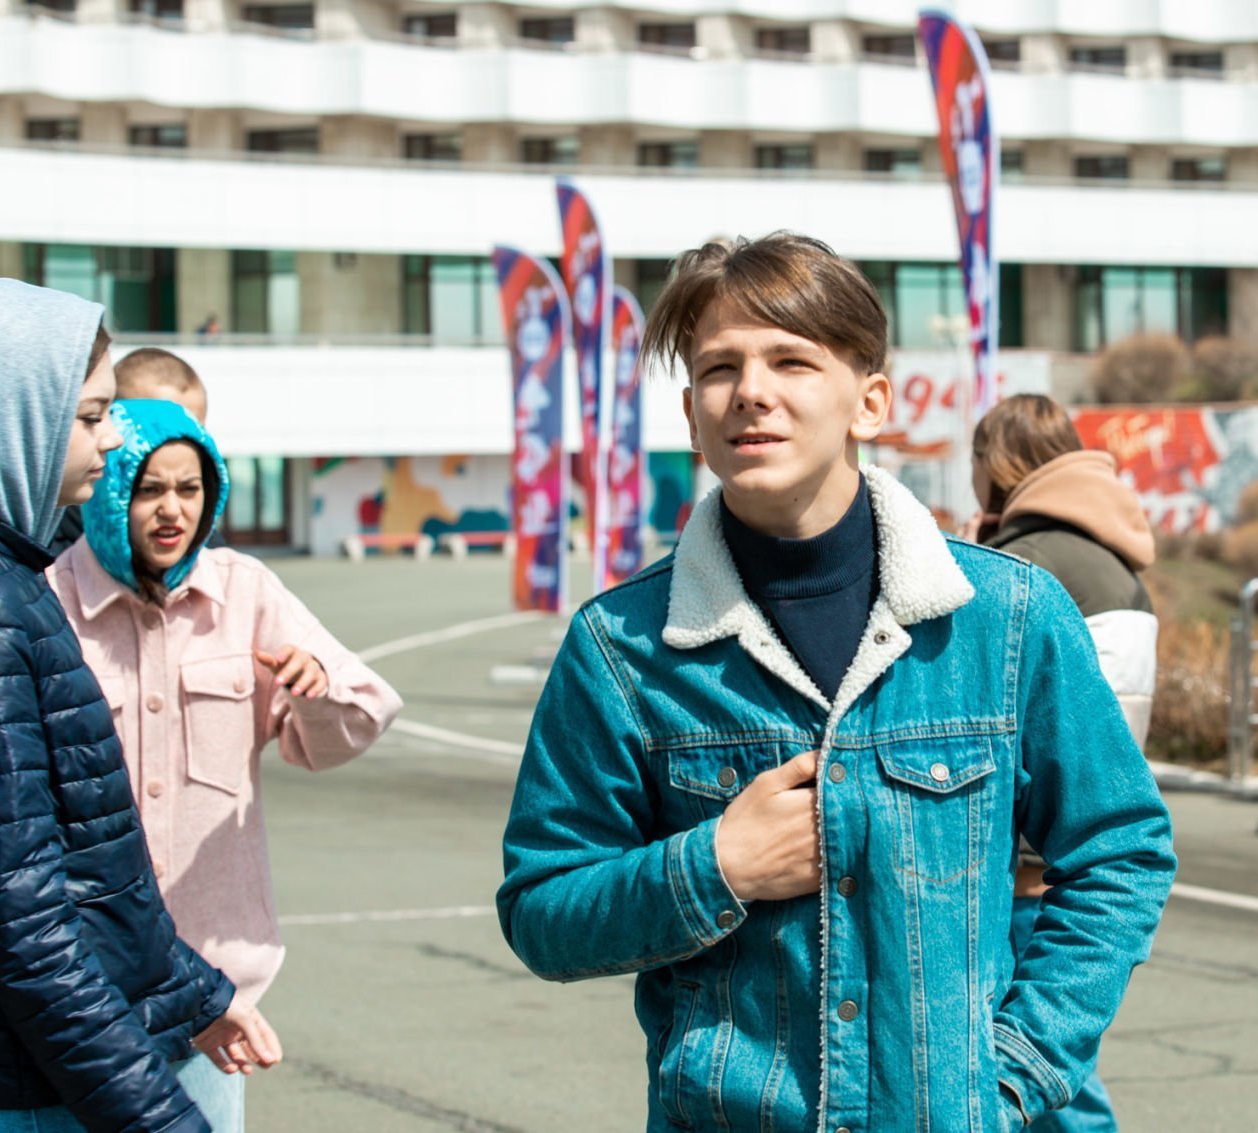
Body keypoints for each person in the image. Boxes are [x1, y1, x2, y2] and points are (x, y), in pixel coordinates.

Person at [497, 233, 1176, 1131]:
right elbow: (542, 908)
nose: (751, 391)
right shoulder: (621, 647)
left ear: (870, 401)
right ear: (693, 415)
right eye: (719, 367)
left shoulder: (1009, 617)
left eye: (791, 360)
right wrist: (715, 864)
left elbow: (1121, 852)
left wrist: (1012, 1073)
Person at [0, 278, 278, 1132]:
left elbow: (91, 867)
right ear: (14, 422)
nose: (112, 436)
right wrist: (159, 1118)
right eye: (90, 415)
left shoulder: (5, 579)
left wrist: (192, 993)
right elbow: (28, 926)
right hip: (13, 1093)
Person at [47, 397, 403, 1132]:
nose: (172, 510)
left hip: (212, 1001)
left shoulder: (245, 591)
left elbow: (358, 719)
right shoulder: (49, 599)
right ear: (109, 491)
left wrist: (316, 688)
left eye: (190, 488)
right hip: (81, 990)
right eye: (149, 488)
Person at [968, 394, 1160, 1133]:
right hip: (1081, 828)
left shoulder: (1027, 564)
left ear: (998, 462)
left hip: (1027, 856)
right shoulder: (1111, 551)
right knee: (1054, 1067)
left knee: (1044, 1077)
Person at [50, 348, 210, 556]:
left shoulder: (214, 557)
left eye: (195, 433)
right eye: (160, 430)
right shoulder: (48, 544)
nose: (181, 448)